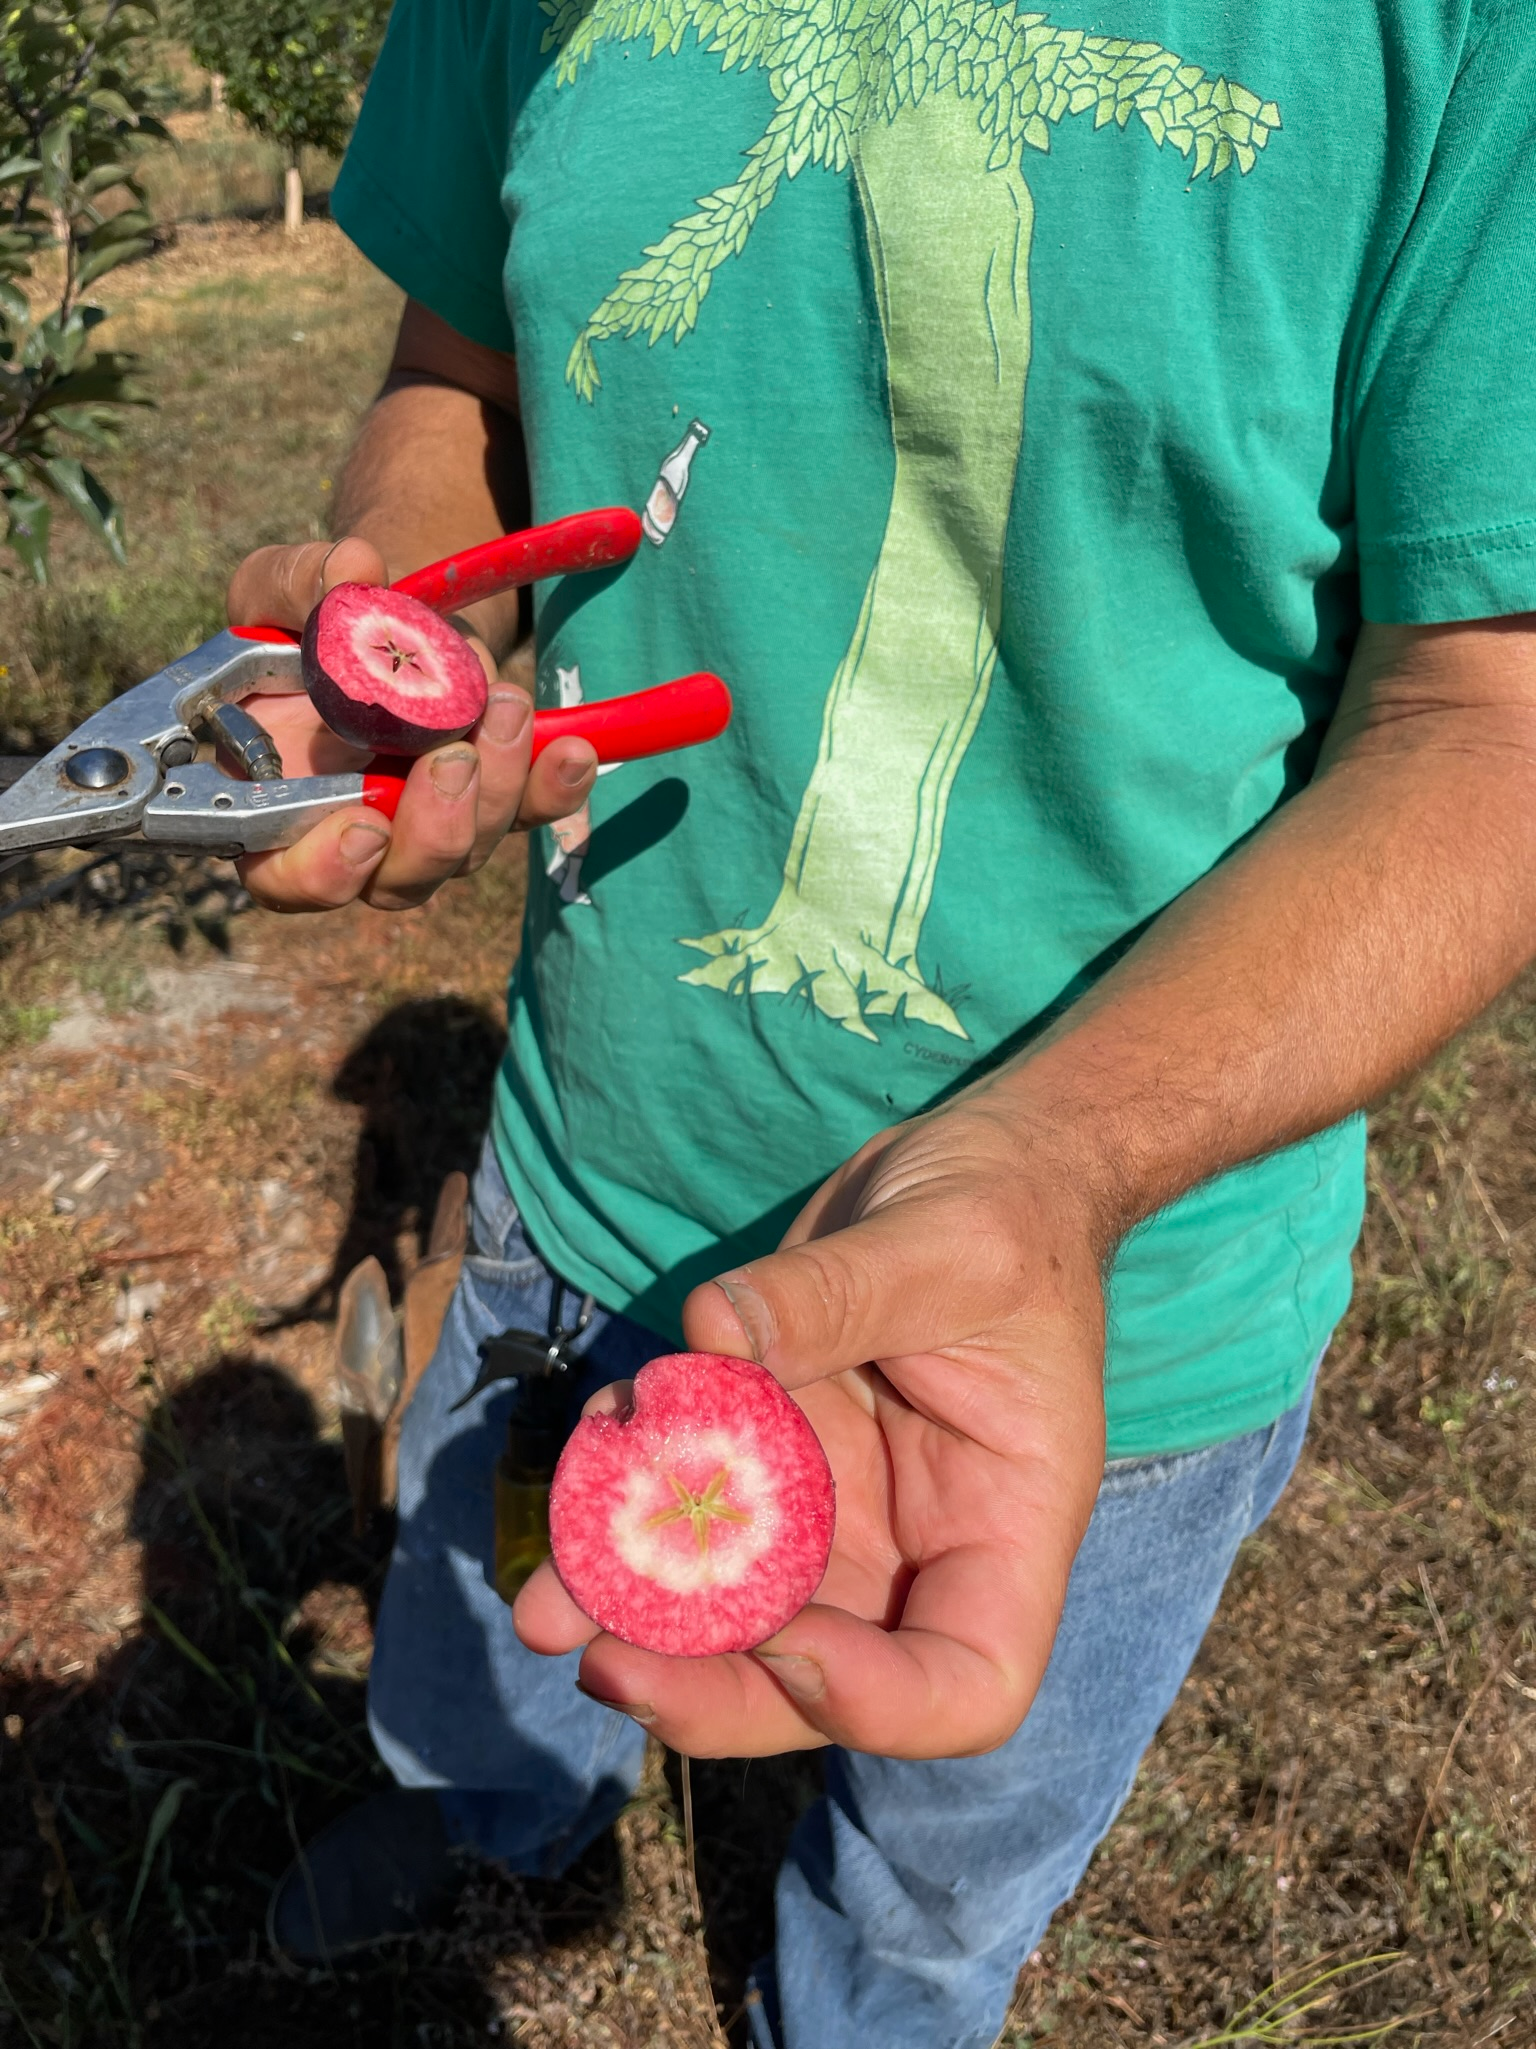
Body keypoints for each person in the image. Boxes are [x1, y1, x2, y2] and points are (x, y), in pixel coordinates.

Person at [230, 3, 1536, 2043]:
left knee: (939, 1859)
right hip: (582, 1196)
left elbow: (1489, 729)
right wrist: (406, 609)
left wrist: (1060, 1162)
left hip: (1095, 1315)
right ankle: (493, 1808)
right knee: (493, 1595)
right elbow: (453, 369)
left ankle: (864, 2001)